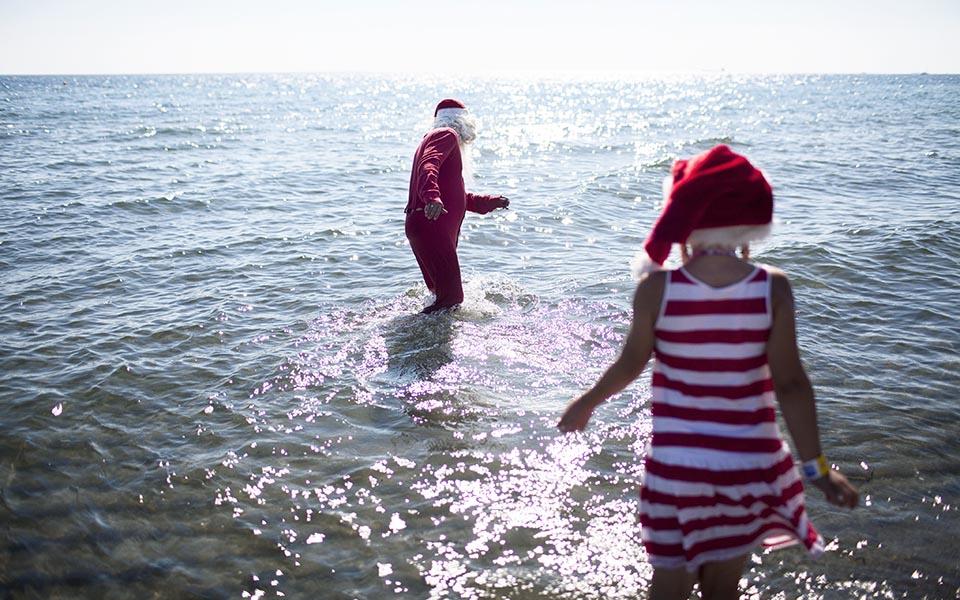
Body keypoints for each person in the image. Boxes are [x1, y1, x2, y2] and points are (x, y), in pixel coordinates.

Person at [557, 145, 859, 600]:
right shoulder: (770, 287)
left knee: (670, 580)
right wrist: (816, 469)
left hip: (678, 468)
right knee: (722, 587)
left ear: (683, 223)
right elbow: (792, 384)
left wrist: (585, 403)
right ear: (750, 226)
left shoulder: (658, 288)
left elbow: (630, 364)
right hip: (748, 465)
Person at [405, 99, 510, 313]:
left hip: (425, 224)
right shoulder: (446, 135)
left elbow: (460, 198)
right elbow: (428, 165)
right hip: (432, 224)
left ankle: (427, 341)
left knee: (443, 297)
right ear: (464, 123)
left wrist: (491, 202)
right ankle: (413, 334)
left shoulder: (437, 139)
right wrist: (432, 198)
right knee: (451, 299)